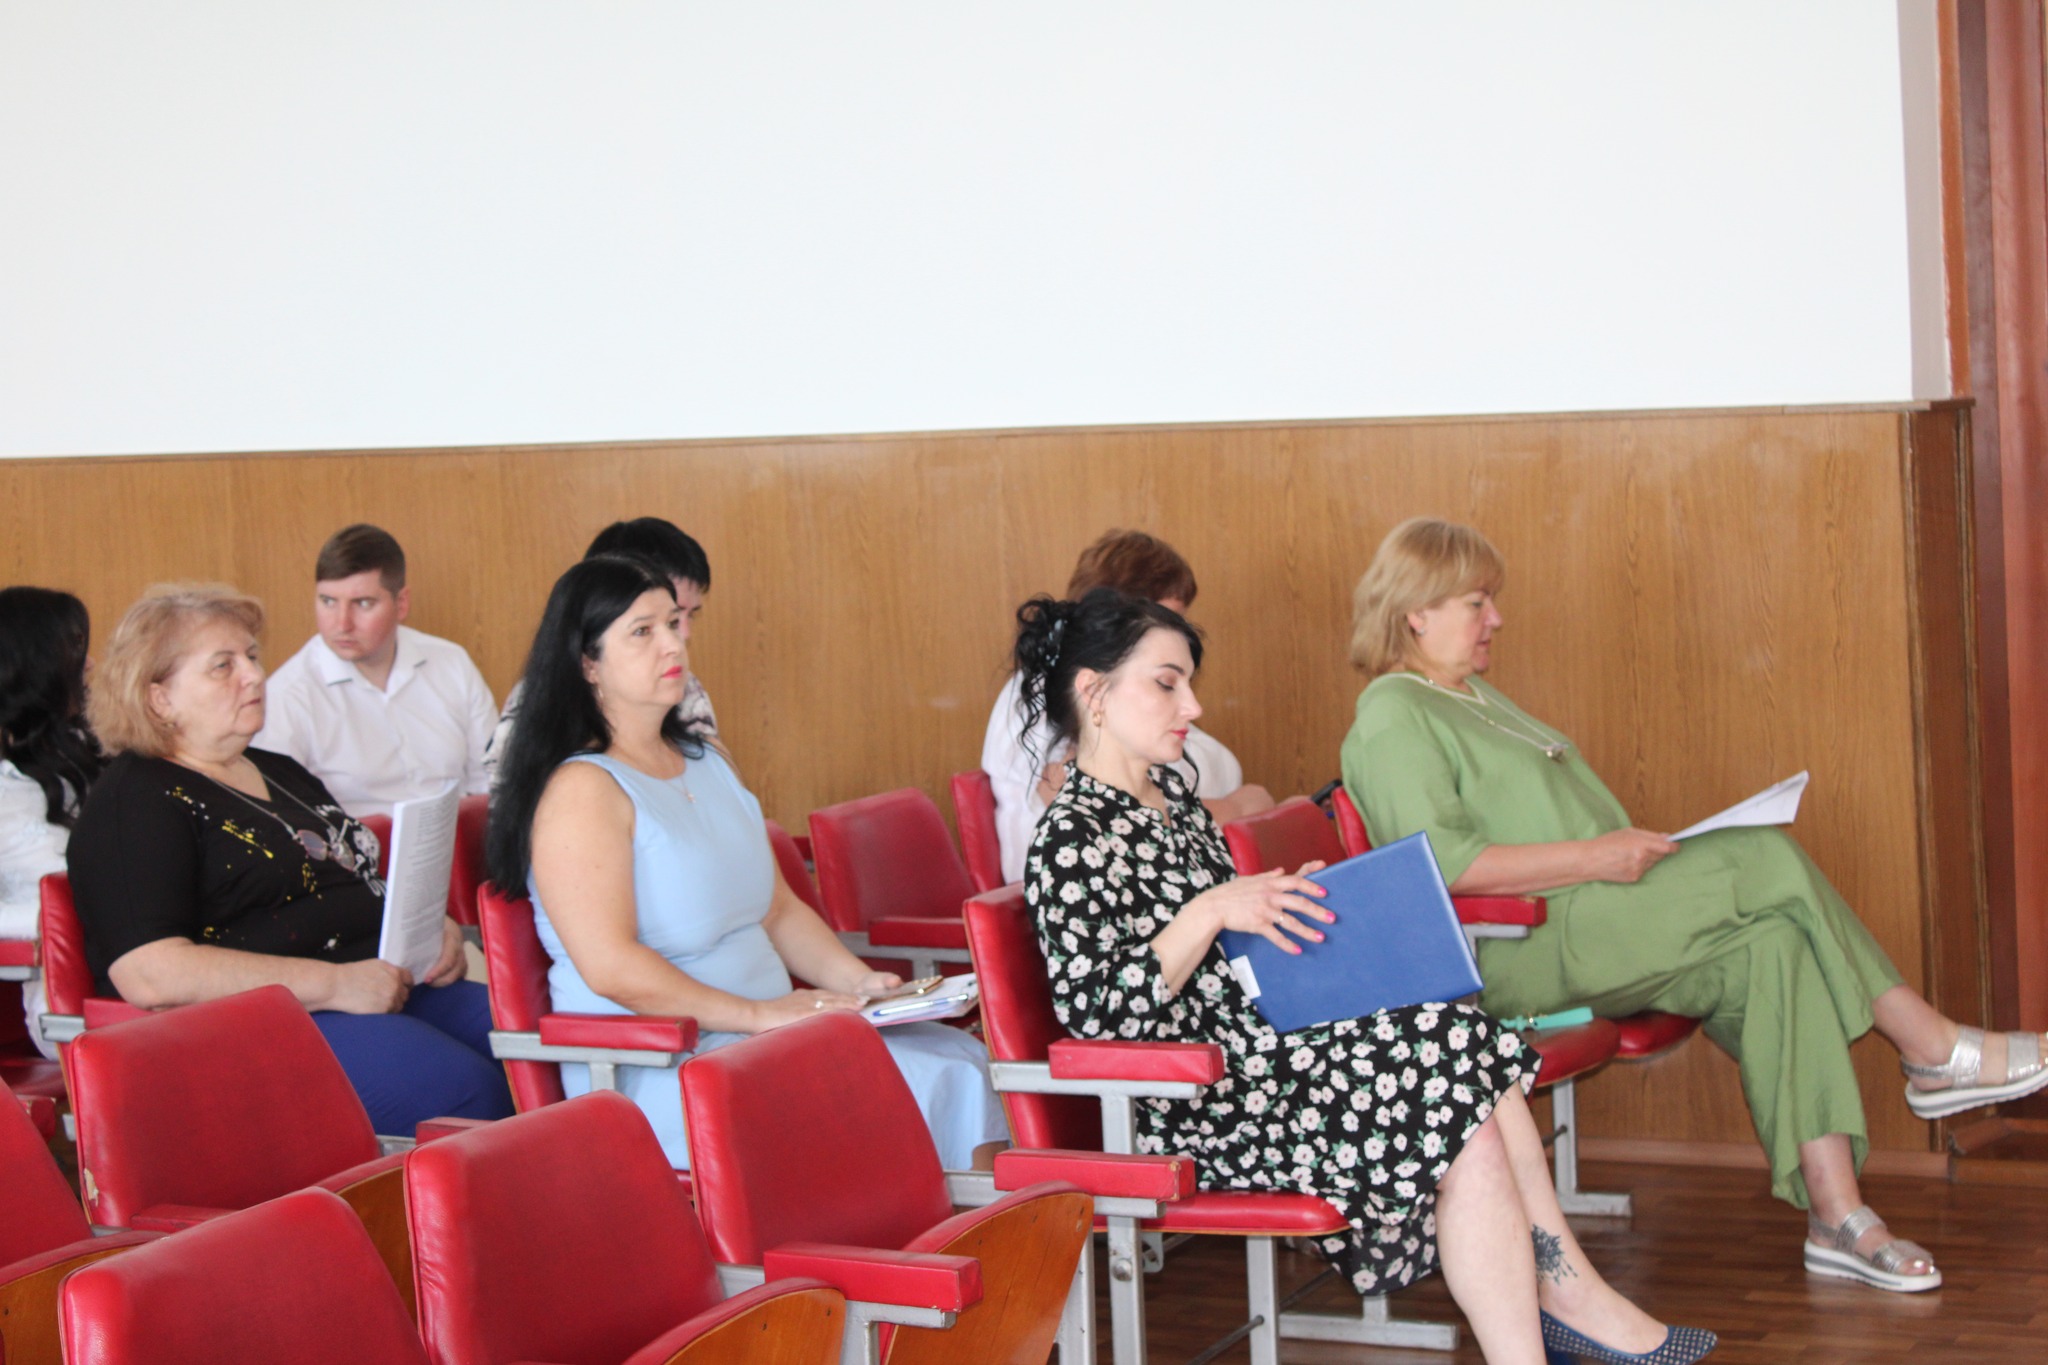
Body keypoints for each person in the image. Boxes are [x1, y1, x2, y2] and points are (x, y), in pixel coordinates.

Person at [1343, 517, 2048, 1295]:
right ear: (1418, 611)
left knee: (1774, 945)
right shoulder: (1391, 711)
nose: (1496, 619)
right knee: (1764, 856)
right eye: (1477, 602)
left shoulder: (1470, 696)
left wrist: (1615, 858)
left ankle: (1839, 1217)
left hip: (1596, 918)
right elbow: (1443, 865)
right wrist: (1600, 857)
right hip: (1516, 948)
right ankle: (1930, 1045)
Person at [1017, 586, 1712, 1364]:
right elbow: (1101, 1016)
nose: (1195, 707)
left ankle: (1553, 1308)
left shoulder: (1171, 796)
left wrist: (1280, 902)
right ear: (1095, 693)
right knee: (1455, 1055)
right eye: (1168, 683)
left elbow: (1220, 956)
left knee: (1461, 1063)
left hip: (1262, 1063)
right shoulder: (1070, 839)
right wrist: (1211, 910)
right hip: (1196, 1102)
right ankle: (1568, 1295)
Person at [486, 555, 1007, 1171]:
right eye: (642, 631)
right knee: (933, 1078)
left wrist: (860, 984)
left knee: (963, 1059)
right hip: (664, 1061)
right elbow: (611, 967)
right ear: (587, 664)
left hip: (763, 1035)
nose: (672, 644)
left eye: (673, 624)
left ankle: (960, 1229)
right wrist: (761, 1017)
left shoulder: (705, 760)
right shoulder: (581, 790)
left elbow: (778, 909)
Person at [67, 583, 513, 1134]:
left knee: (535, 1057)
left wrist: (430, 930)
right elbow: (151, 974)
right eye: (223, 666)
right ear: (160, 698)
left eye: (251, 657)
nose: (254, 676)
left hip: (383, 982)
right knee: (466, 1095)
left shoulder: (279, 770)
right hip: (264, 1021)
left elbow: (355, 879)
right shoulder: (134, 802)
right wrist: (334, 984)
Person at [981, 529, 1273, 883]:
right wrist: (1237, 808)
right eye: (1168, 618)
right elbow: (1083, 802)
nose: (1179, 633)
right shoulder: (1050, 693)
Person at [254, 524, 498, 818]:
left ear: (401, 603)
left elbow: (491, 781)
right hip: (360, 844)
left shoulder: (451, 662)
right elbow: (285, 816)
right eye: (328, 601)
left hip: (458, 838)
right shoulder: (289, 693)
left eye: (362, 603)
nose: (342, 624)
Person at [484, 517, 716, 781]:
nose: (681, 637)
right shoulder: (542, 699)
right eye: (644, 628)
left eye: (676, 619)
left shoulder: (684, 685)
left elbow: (712, 789)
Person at [0, 587, 103, 1056]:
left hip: (138, 966)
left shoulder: (87, 751)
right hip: (68, 1007)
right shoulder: (6, 789)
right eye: (76, 651)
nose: (91, 665)